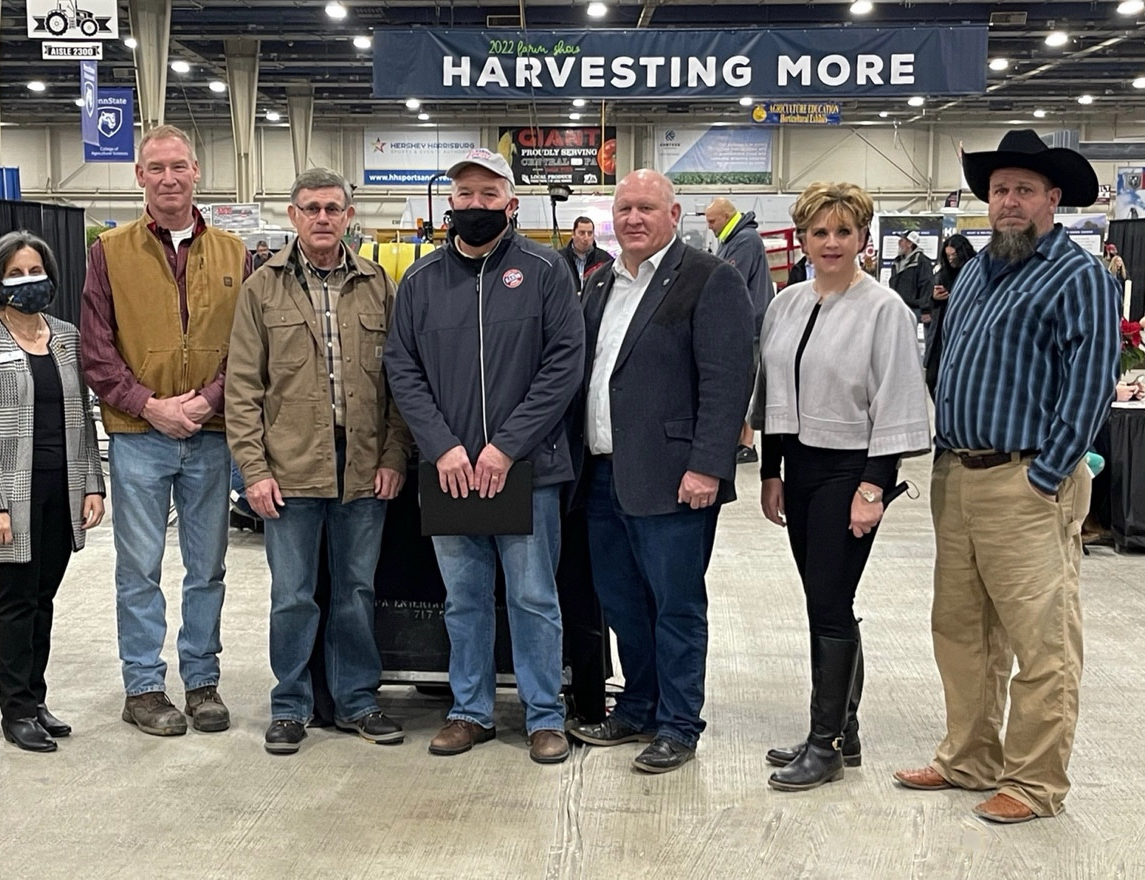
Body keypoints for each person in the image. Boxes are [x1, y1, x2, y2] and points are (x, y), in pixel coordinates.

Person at [895, 129, 1119, 824]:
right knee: (961, 631)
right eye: (999, 191)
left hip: (1026, 480)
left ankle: (1033, 783)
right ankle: (969, 758)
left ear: (1054, 199)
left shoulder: (1076, 275)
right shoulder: (977, 272)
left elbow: (1091, 383)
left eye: (1024, 190)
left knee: (1040, 641)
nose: (1010, 202)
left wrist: (1048, 475)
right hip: (957, 476)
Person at [383, 148, 585, 764]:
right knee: (464, 598)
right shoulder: (419, 282)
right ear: (450, 202)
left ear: (511, 203)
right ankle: (469, 710)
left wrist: (505, 447)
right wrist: (443, 445)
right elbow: (402, 368)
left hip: (527, 469)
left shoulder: (546, 271)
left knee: (532, 597)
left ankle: (544, 715)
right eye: (465, 195)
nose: (476, 206)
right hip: (449, 472)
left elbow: (563, 365)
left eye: (488, 196)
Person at [567, 171, 753, 773]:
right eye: (624, 209)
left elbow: (728, 383)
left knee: (675, 605)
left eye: (647, 207)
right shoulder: (599, 285)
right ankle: (640, 704)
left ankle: (679, 723)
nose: (634, 219)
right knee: (622, 603)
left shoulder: (710, 279)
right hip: (601, 476)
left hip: (674, 478)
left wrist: (707, 466)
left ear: (675, 215)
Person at [751, 181, 931, 791]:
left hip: (850, 469)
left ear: (862, 237)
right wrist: (771, 470)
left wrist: (874, 488)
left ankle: (825, 744)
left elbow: (898, 401)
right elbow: (773, 389)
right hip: (798, 466)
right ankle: (840, 730)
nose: (831, 242)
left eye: (843, 232)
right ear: (802, 238)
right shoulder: (788, 302)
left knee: (829, 602)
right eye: (819, 232)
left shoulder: (885, 309)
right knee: (824, 601)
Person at [225, 168, 411, 754]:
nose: (323, 218)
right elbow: (242, 389)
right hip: (289, 468)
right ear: (293, 215)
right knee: (293, 594)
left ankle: (357, 699)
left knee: (357, 590)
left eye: (334, 207)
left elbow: (400, 385)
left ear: (349, 216)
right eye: (312, 208)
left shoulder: (379, 285)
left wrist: (393, 455)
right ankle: (291, 705)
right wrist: (253, 471)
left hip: (361, 465)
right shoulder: (262, 288)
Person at [81, 124, 250, 737]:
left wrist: (205, 403)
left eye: (179, 166)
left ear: (197, 171)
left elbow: (250, 349)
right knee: (139, 569)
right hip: (138, 437)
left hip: (210, 435)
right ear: (139, 177)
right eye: (157, 168)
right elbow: (95, 349)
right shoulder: (109, 252)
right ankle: (144, 687)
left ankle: (202, 681)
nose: (169, 178)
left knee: (207, 568)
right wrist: (149, 405)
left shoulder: (235, 254)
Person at [0, 231, 106, 753]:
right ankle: (15, 708)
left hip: (60, 490)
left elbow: (83, 418)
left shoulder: (66, 337)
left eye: (34, 270)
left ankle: (36, 698)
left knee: (44, 598)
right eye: (15, 273)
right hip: (10, 494)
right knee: (15, 601)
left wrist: (92, 483)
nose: (27, 281)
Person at [705, 198, 775, 465]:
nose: (710, 227)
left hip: (750, 327)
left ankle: (747, 443)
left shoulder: (745, 240)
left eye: (712, 221)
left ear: (725, 216)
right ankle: (739, 441)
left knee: (747, 384)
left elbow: (729, 281)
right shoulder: (732, 238)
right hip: (743, 325)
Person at [924, 235, 977, 394]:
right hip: (942, 328)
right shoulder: (942, 273)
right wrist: (934, 298)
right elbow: (929, 296)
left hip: (965, 329)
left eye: (954, 255)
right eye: (948, 256)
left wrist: (954, 296)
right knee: (932, 377)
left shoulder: (975, 271)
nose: (951, 259)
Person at [889, 230, 933, 323]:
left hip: (914, 309)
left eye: (902, 240)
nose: (899, 243)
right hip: (897, 307)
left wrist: (925, 309)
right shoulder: (898, 261)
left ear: (910, 243)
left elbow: (926, 286)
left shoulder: (922, 262)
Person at [557, 216, 610, 291]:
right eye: (581, 233)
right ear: (573, 234)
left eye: (590, 233)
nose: (586, 238)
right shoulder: (559, 259)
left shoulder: (604, 259)